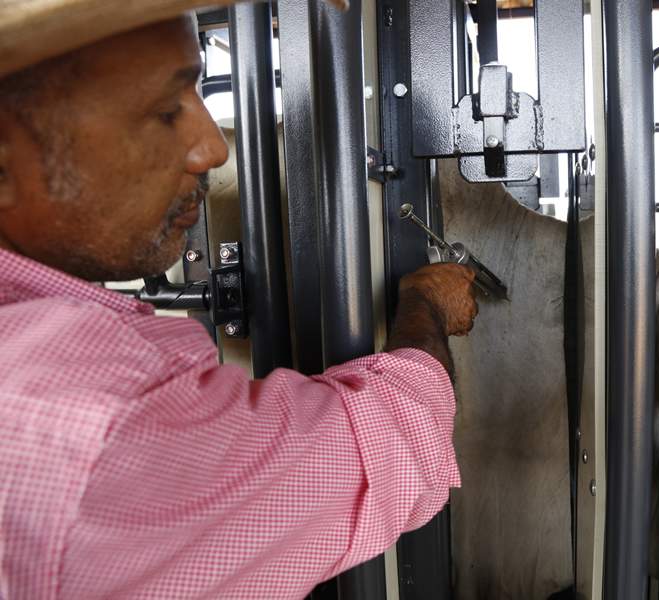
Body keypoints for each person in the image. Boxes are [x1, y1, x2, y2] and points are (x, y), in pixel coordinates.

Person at [0, 1, 478, 597]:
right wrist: (425, 305)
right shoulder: (92, 426)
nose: (213, 148)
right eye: (167, 109)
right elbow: (382, 446)